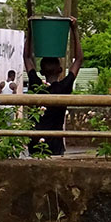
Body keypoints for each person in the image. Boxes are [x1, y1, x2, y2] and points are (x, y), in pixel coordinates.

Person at [24, 19, 82, 156]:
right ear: (61, 70)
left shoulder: (36, 86)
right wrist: (74, 30)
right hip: (55, 145)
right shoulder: (64, 88)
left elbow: (26, 57)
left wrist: (31, 30)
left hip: (35, 143)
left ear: (41, 72)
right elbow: (78, 59)